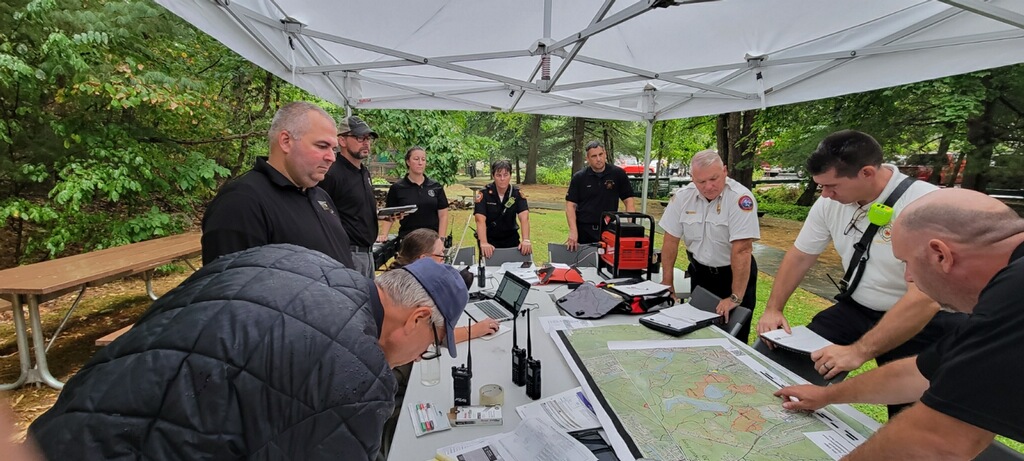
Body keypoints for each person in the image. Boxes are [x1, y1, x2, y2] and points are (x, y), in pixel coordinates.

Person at [28, 244, 469, 461]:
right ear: (417, 318)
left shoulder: (295, 257)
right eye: (431, 344)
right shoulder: (360, 375)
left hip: (65, 428)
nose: (419, 356)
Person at [777, 188, 1024, 459]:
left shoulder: (1014, 295)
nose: (908, 277)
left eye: (907, 262)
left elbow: (939, 440)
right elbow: (918, 373)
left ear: (941, 255)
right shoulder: (1005, 292)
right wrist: (827, 396)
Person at [755, 130, 963, 416]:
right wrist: (773, 308)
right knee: (784, 358)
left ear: (866, 173)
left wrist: (857, 352)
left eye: (832, 186)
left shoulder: (926, 205)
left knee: (912, 414)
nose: (825, 194)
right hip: (857, 307)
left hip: (922, 319)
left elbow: (925, 298)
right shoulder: (829, 202)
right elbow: (801, 255)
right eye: (821, 186)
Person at [201, 101, 354, 268]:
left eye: (333, 149)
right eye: (322, 146)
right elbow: (232, 281)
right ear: (286, 141)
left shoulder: (320, 195)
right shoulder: (241, 202)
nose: (331, 157)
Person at [659, 150, 760, 341]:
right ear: (692, 178)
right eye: (701, 182)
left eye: (714, 179)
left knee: (733, 337)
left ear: (724, 171)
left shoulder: (739, 198)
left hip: (734, 275)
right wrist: (667, 283)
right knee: (696, 333)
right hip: (701, 275)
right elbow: (670, 240)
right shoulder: (682, 197)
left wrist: (735, 297)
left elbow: (742, 250)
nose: (708, 186)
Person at [320, 115, 393, 278]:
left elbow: (353, 208)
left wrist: (382, 216)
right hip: (346, 254)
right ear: (342, 140)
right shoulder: (331, 174)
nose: (366, 142)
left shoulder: (364, 172)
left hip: (367, 253)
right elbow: (322, 217)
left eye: (368, 138)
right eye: (360, 137)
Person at [565, 141, 636, 251]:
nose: (598, 159)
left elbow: (629, 201)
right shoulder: (579, 177)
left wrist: (631, 228)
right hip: (584, 231)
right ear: (587, 158)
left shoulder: (618, 174)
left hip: (609, 230)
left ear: (605, 154)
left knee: (609, 261)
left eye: (600, 154)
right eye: (594, 156)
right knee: (584, 261)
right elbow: (570, 205)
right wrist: (573, 231)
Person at [380, 146, 449, 241]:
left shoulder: (436, 186)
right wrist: (383, 235)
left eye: (423, 159)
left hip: (432, 240)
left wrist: (441, 239)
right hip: (408, 239)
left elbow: (443, 215)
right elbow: (390, 214)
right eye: (416, 159)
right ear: (408, 162)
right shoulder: (397, 188)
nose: (420, 163)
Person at [474, 159, 532, 258]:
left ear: (510, 175)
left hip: (511, 239)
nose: (502, 178)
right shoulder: (484, 193)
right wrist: (483, 242)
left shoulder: (516, 193)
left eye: (505, 175)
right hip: (490, 241)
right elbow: (480, 219)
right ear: (493, 176)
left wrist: (526, 240)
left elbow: (524, 217)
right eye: (498, 175)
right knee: (489, 266)